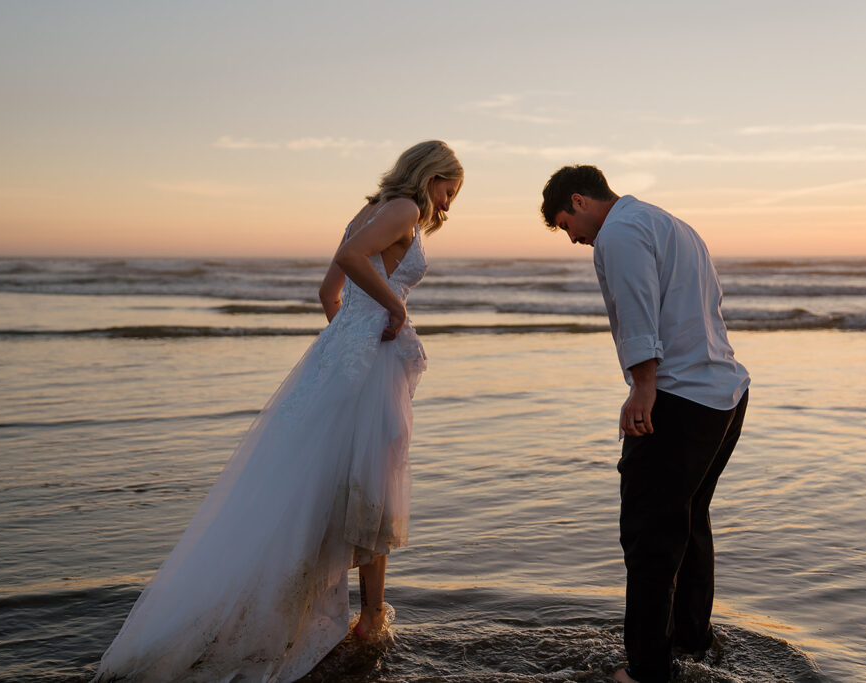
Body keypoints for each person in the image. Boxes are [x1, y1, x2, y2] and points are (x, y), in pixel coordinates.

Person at [93, 140, 463, 682]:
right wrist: (393, 306)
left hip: (346, 355)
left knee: (331, 487)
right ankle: (368, 617)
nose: (448, 207)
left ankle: (355, 613)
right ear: (429, 177)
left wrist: (349, 335)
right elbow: (349, 261)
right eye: (448, 192)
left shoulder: (368, 209)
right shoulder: (404, 209)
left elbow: (327, 291)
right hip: (371, 364)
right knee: (370, 486)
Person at [540, 166, 750, 683]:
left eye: (566, 223)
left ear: (579, 200)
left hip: (677, 399)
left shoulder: (619, 233)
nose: (572, 237)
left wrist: (642, 387)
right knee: (688, 519)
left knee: (649, 535)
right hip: (725, 393)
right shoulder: (671, 224)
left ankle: (646, 671)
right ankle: (690, 639)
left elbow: (637, 311)